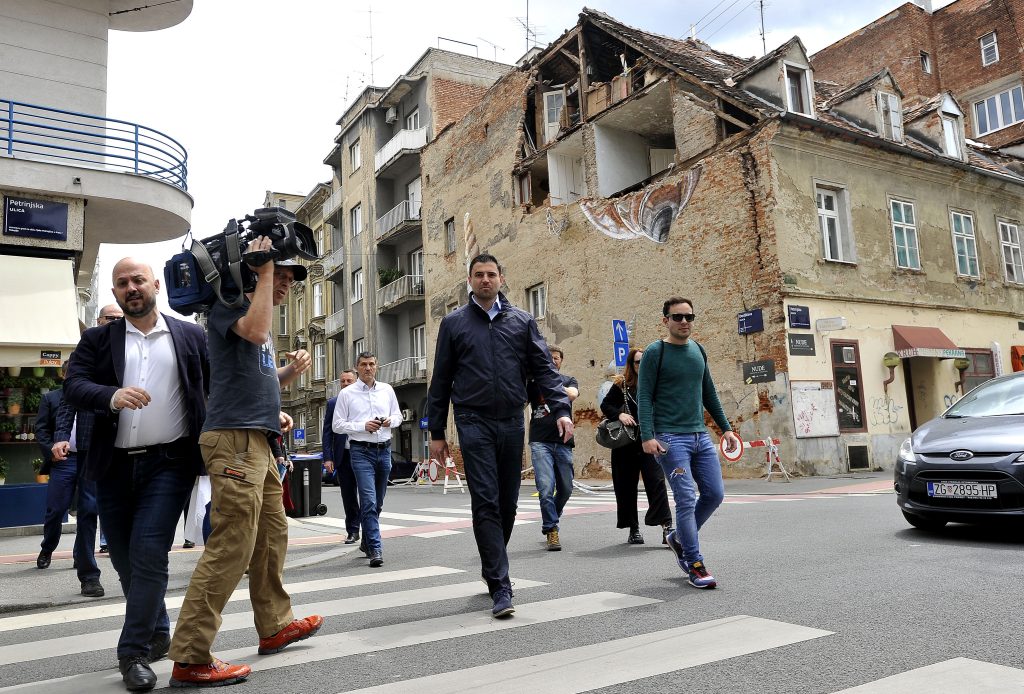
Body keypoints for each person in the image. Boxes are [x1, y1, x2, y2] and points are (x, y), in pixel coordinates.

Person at [168, 245, 323, 689]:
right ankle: (191, 656)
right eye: (282, 278)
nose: (287, 286)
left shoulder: (257, 317)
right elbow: (253, 334)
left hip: (258, 439)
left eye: (291, 280)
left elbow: (254, 374)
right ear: (256, 273)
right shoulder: (228, 304)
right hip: (234, 442)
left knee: (272, 534)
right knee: (232, 544)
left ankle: (274, 626)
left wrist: (286, 381)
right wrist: (266, 269)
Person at [62, 259, 210, 691]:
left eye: (138, 280)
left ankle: (133, 652)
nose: (131, 288)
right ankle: (157, 627)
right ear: (114, 294)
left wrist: (264, 412)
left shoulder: (190, 335)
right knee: (126, 562)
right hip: (113, 466)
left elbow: (214, 387)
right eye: (122, 283)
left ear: (156, 285)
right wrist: (112, 395)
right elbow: (74, 386)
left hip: (169, 463)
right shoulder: (98, 339)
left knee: (148, 553)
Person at [427, 253, 573, 618]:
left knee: (507, 503)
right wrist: (436, 431)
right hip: (472, 420)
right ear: (470, 280)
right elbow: (441, 380)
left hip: (511, 420)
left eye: (491, 274)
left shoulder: (522, 322)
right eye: (479, 275)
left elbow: (544, 370)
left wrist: (562, 410)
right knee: (487, 501)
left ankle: (492, 563)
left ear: (502, 279)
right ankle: (500, 584)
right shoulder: (454, 323)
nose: (486, 280)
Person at [638, 297, 740, 590]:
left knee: (714, 494)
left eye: (689, 317)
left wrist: (726, 429)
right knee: (685, 498)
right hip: (669, 438)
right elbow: (645, 396)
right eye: (677, 317)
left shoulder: (698, 350)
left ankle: (679, 537)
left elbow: (708, 392)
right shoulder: (656, 352)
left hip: (699, 435)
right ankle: (694, 563)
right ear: (665, 320)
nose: (684, 322)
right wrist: (647, 436)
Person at [34, 361, 104, 598]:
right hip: (63, 461)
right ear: (65, 375)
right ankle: (47, 548)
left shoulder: (97, 391)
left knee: (88, 511)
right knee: (56, 509)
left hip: (89, 458)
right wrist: (52, 450)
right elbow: (42, 430)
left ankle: (85, 566)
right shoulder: (54, 398)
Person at [332, 353, 402, 567]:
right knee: (369, 500)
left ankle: (367, 540)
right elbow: (337, 425)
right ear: (357, 368)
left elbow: (399, 417)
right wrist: (363, 426)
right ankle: (375, 548)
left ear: (376, 366)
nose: (368, 368)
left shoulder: (387, 390)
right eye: (363, 365)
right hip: (360, 451)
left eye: (371, 364)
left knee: (377, 502)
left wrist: (390, 421)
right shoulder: (347, 394)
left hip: (385, 450)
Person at [600, 346, 672, 545]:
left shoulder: (656, 383)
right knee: (626, 486)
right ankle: (633, 528)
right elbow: (606, 405)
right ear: (631, 365)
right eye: (638, 362)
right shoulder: (622, 384)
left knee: (657, 482)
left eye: (645, 360)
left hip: (650, 440)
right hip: (626, 443)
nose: (642, 364)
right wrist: (619, 414)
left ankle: (666, 527)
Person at [527, 345, 579, 551]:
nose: (554, 360)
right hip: (540, 440)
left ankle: (552, 517)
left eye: (557, 358)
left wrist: (549, 381)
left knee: (566, 488)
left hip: (563, 441)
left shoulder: (568, 380)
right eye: (550, 358)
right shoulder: (533, 383)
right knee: (546, 487)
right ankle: (551, 529)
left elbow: (572, 395)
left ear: (561, 361)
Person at [322, 369, 359, 544]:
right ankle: (352, 530)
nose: (344, 384)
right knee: (348, 495)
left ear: (356, 381)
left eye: (348, 381)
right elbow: (327, 433)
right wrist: (328, 457)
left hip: (364, 452)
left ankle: (369, 530)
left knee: (368, 495)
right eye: (342, 381)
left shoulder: (363, 401)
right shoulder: (333, 403)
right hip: (343, 455)